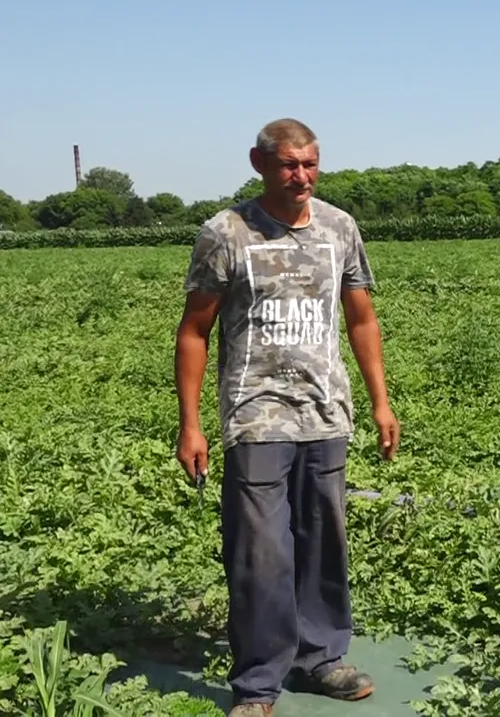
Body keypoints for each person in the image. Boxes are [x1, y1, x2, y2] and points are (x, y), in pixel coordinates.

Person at [174, 118, 401, 717]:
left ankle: (320, 658)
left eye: (310, 164)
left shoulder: (338, 228)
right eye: (287, 165)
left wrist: (380, 400)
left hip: (326, 410)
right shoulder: (227, 233)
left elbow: (361, 320)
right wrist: (190, 423)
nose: (300, 176)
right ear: (259, 163)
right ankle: (257, 682)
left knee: (324, 537)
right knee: (260, 549)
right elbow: (195, 330)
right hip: (255, 414)